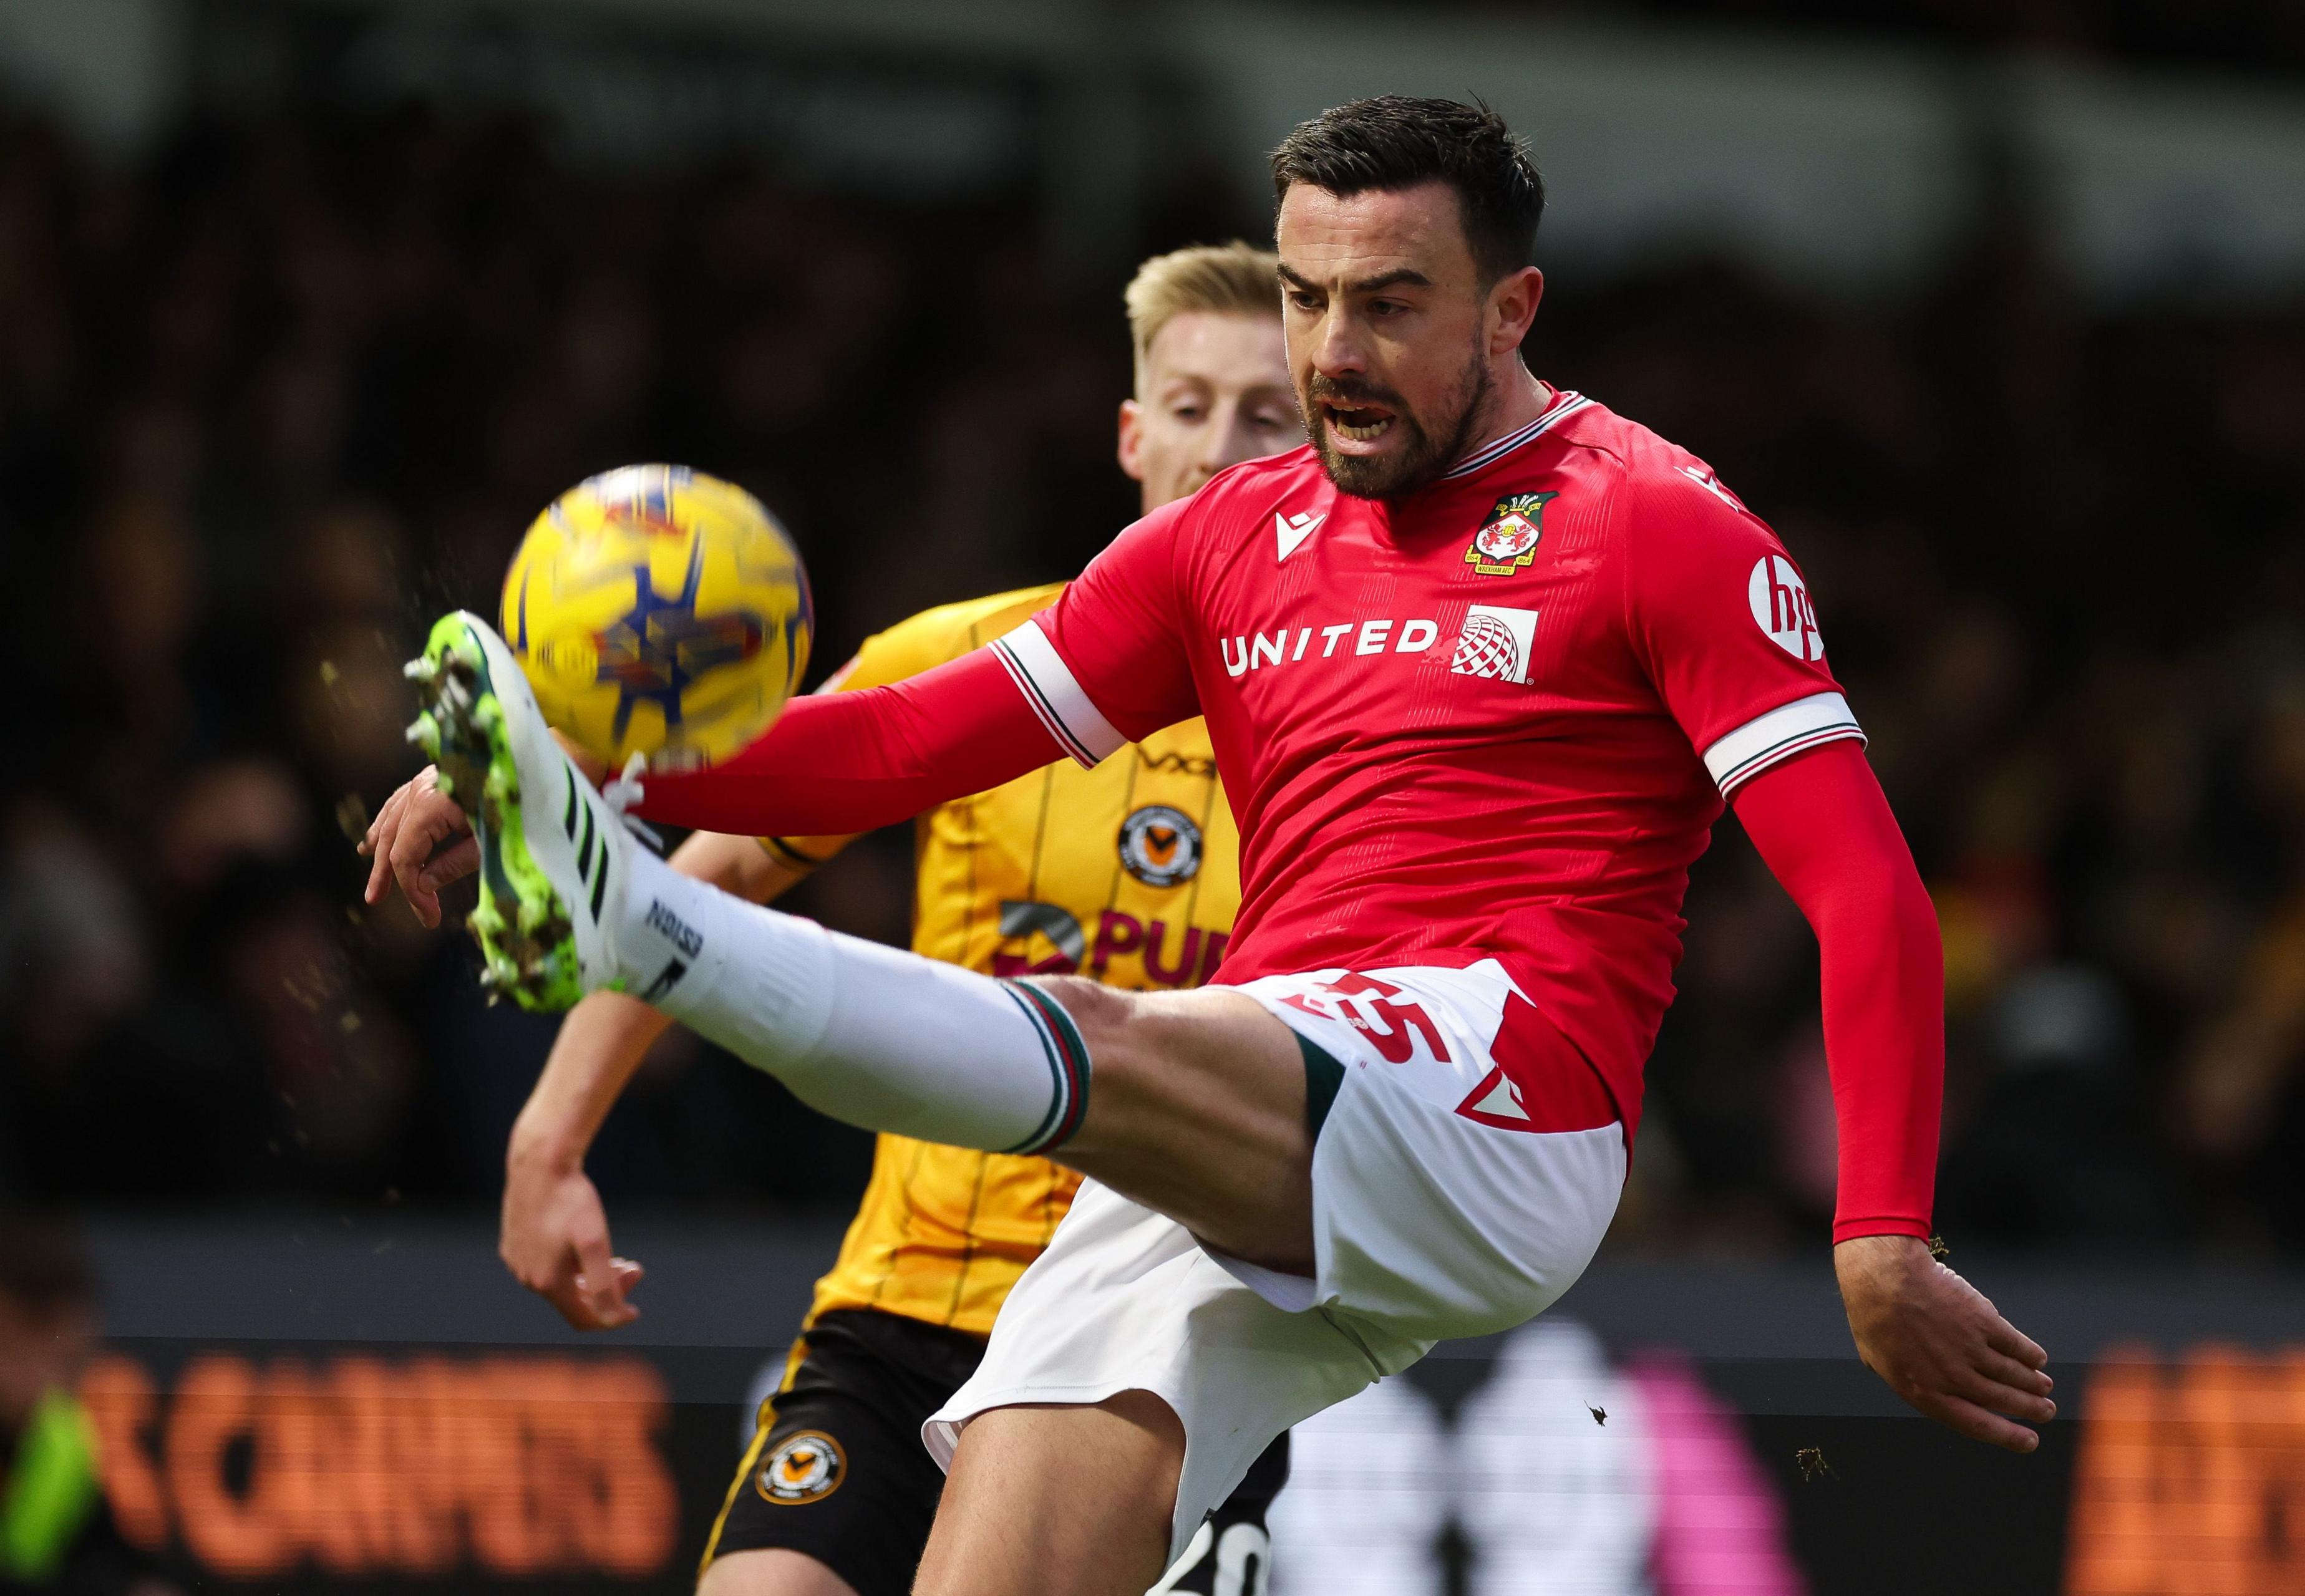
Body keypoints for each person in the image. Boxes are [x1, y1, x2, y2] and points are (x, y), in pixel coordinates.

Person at [366, 97, 2055, 1596]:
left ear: (1512, 306)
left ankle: (653, 930)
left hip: (1502, 1087)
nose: (1333, 351)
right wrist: (589, 759)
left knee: (1101, 1019)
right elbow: (901, 740)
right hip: (1249, 1133)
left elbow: (1864, 886)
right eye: (1311, 296)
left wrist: (1881, 1229)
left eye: (1391, 304)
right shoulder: (1230, 540)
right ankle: (632, 885)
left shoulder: (1660, 524)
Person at [368, 244, 1303, 1596]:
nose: (1220, 447)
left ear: (1321, 446)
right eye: (1189, 404)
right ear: (1129, 431)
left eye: (1266, 414)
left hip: (1163, 1354)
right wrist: (549, 1134)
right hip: (906, 1306)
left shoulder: (1352, 737)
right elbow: (709, 882)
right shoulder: (979, 662)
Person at [0, 1216, 178, 1596]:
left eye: (76, 1363)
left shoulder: (59, 1439)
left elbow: (96, 1553)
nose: (66, 1384)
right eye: (61, 1361)